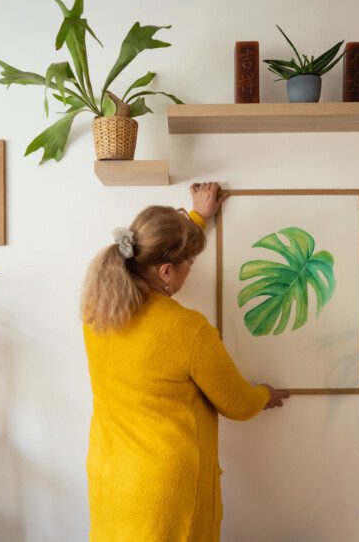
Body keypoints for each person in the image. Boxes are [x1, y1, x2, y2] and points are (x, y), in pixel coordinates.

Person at [81, 182, 290, 542]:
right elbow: (237, 404)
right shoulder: (187, 329)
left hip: (110, 478)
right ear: (165, 272)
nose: (190, 269)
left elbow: (155, 248)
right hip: (166, 493)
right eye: (188, 262)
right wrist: (263, 395)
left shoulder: (98, 312)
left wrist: (195, 218)